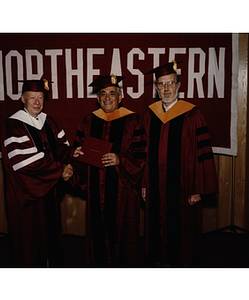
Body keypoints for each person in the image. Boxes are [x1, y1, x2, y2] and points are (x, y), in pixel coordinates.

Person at [142, 61, 218, 267]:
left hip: (184, 187)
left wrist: (197, 189)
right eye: (161, 84)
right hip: (156, 186)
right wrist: (143, 183)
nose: (166, 89)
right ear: (156, 88)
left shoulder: (193, 114)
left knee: (182, 235)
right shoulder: (149, 114)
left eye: (170, 83)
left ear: (178, 85)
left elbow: (202, 154)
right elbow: (144, 152)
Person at [1, 79, 83, 267]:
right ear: (23, 98)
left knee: (51, 238)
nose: (37, 102)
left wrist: (71, 154)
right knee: (30, 242)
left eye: (40, 98)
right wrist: (60, 169)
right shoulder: (13, 125)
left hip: (49, 192)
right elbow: (26, 163)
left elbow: (60, 148)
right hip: (27, 195)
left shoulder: (48, 121)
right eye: (32, 98)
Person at [73, 74, 147, 267]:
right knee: (97, 234)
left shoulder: (133, 121)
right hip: (96, 189)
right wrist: (77, 155)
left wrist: (120, 159)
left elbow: (142, 155)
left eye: (112, 94)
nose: (107, 98)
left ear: (120, 97)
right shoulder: (88, 121)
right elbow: (79, 151)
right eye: (102, 94)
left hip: (123, 189)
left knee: (124, 236)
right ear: (97, 98)